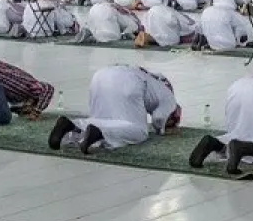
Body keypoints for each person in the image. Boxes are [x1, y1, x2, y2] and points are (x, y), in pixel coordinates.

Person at [48, 66, 180, 155]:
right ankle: (101, 134)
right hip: (129, 82)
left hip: (100, 76)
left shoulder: (149, 77)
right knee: (139, 131)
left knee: (102, 119)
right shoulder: (169, 95)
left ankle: (72, 125)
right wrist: (161, 130)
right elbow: (159, 117)